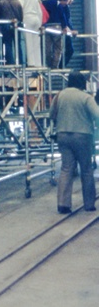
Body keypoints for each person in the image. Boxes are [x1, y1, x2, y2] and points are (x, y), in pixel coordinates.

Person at [49, 70, 98, 214]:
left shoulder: (59, 96)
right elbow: (97, 115)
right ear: (82, 83)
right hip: (82, 136)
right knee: (86, 169)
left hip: (63, 135)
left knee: (66, 168)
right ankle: (89, 204)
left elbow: (51, 114)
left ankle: (63, 204)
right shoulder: (86, 97)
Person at [15, 0, 43, 67]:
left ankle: (31, 63)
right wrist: (40, 23)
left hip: (28, 18)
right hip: (37, 19)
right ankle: (38, 64)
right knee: (36, 42)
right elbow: (40, 11)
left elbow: (19, 7)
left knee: (28, 41)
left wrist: (18, 20)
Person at [0, 0, 23, 65]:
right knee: (18, 44)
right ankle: (20, 62)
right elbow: (21, 16)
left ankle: (10, 63)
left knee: (8, 44)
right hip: (16, 25)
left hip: (5, 25)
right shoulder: (18, 3)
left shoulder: (1, 2)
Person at [40, 0, 63, 68]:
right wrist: (65, 26)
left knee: (47, 48)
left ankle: (48, 65)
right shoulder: (56, 2)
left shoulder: (40, 4)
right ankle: (55, 65)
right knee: (58, 47)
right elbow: (62, 14)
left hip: (46, 27)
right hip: (57, 27)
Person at [60, 0, 77, 67]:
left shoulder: (66, 7)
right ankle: (60, 65)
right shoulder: (63, 7)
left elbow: (68, 21)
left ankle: (60, 65)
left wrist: (71, 30)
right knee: (69, 50)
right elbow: (65, 20)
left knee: (68, 50)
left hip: (67, 31)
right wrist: (69, 30)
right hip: (64, 31)